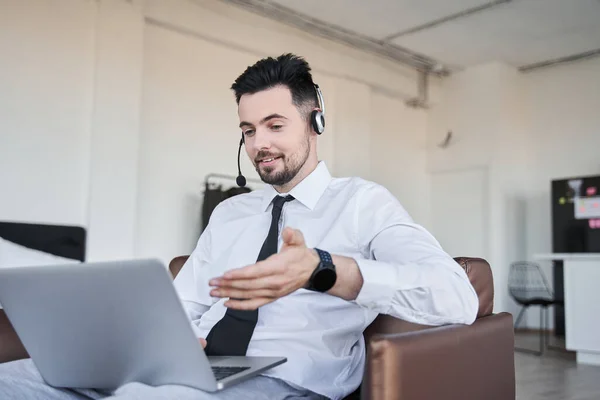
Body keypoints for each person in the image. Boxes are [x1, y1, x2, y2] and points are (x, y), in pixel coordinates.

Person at [0, 54, 478, 400]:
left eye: (274, 125)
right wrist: (164, 339)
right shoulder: (231, 213)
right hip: (193, 367)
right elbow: (185, 302)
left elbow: (457, 296)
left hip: (287, 380)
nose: (258, 145)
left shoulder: (362, 203)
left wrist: (323, 269)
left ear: (317, 121)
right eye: (248, 130)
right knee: (14, 378)